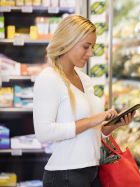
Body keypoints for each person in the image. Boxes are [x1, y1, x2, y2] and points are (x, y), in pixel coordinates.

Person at [33, 15, 134, 187]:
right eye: (86, 47)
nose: (90, 53)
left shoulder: (84, 79)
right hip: (65, 176)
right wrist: (93, 120)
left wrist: (112, 126)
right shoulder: (49, 78)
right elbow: (44, 133)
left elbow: (89, 133)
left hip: (92, 171)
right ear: (68, 42)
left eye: (92, 47)